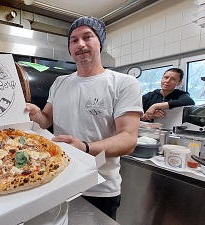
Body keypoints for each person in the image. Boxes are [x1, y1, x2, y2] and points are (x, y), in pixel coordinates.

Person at [25, 16, 143, 220]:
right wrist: (37, 114)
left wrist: (85, 148)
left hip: (99, 187)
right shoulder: (60, 83)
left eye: (87, 37)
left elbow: (128, 139)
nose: (80, 44)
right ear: (70, 48)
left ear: (100, 42)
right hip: (58, 181)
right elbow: (47, 120)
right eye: (74, 40)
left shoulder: (124, 83)